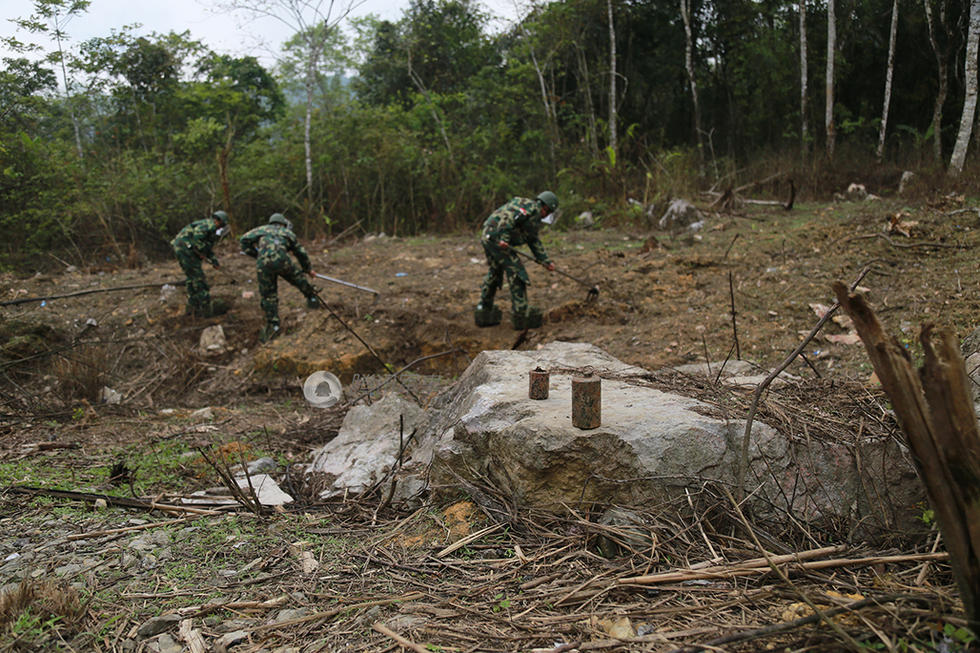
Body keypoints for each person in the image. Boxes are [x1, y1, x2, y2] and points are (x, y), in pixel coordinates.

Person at [475, 191, 558, 330]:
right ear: (545, 207)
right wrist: (505, 239)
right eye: (548, 212)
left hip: (489, 236)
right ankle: (521, 312)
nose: (546, 216)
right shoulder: (531, 208)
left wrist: (545, 261)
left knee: (495, 271)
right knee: (517, 271)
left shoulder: (530, 211)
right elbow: (508, 219)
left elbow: (533, 239)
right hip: (497, 238)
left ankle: (484, 309)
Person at [239, 213, 320, 342]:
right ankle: (313, 298)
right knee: (298, 279)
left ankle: (273, 326)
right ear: (282, 223)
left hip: (263, 264)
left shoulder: (260, 229)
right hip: (282, 261)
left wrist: (257, 255)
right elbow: (301, 252)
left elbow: (243, 240)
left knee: (268, 295)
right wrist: (307, 269)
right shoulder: (287, 232)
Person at [171, 210, 229, 317]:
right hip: (185, 248)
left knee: (191, 277)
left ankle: (193, 305)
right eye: (222, 225)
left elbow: (208, 249)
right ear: (218, 221)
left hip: (185, 249)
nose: (220, 228)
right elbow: (197, 239)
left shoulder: (210, 230)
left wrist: (214, 262)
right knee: (198, 277)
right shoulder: (208, 225)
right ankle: (205, 307)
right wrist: (201, 251)